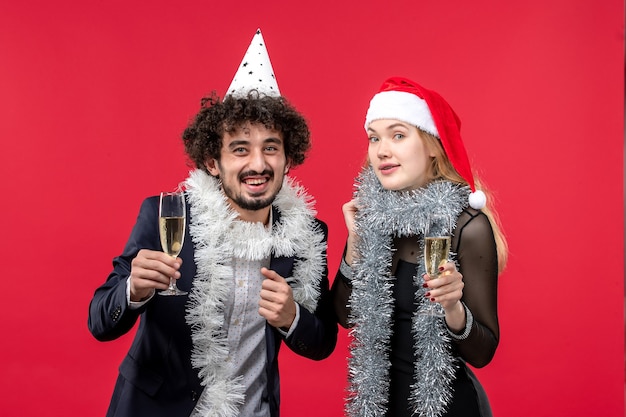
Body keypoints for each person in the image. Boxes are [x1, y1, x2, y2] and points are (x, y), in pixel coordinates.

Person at [88, 29, 337, 417]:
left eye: (270, 147)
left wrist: (292, 318)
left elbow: (322, 343)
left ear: (288, 159)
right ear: (212, 163)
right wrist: (133, 291)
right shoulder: (166, 217)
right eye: (240, 149)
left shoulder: (307, 234)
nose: (257, 164)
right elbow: (100, 320)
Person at [332, 76, 508, 417]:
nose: (382, 150)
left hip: (447, 408)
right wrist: (356, 243)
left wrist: (453, 307)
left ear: (431, 144)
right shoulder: (373, 218)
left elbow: (483, 352)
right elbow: (343, 316)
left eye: (398, 135)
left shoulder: (466, 226)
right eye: (374, 138)